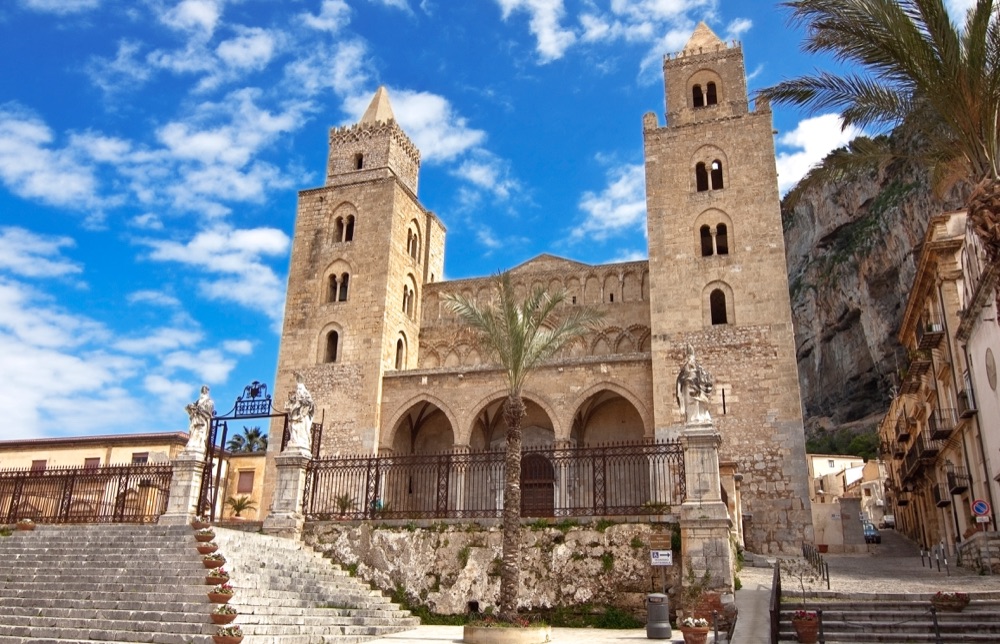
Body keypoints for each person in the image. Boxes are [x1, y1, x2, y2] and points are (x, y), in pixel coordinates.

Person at [675, 344, 714, 424]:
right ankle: (694, 418)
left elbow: (704, 379)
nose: (690, 360)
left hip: (695, 390)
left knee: (699, 403)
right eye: (689, 358)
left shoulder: (698, 368)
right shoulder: (685, 369)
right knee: (692, 404)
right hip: (688, 389)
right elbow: (680, 382)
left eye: (691, 358)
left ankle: (700, 417)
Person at [285, 372, 315, 453]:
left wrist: (304, 403)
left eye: (300, 389)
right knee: (293, 427)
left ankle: (301, 441)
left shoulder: (306, 396)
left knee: (301, 429)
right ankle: (294, 440)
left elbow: (310, 405)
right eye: (298, 389)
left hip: (302, 417)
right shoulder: (295, 397)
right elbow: (290, 405)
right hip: (294, 417)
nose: (298, 391)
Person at [185, 385, 214, 455]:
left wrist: (201, 410)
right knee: (195, 433)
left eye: (205, 390)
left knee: (201, 433)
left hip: (203, 420)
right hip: (196, 419)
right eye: (202, 390)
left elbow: (209, 412)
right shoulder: (198, 401)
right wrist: (191, 407)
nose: (203, 391)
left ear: (207, 392)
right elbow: (190, 408)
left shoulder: (209, 401)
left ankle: (199, 445)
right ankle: (193, 445)